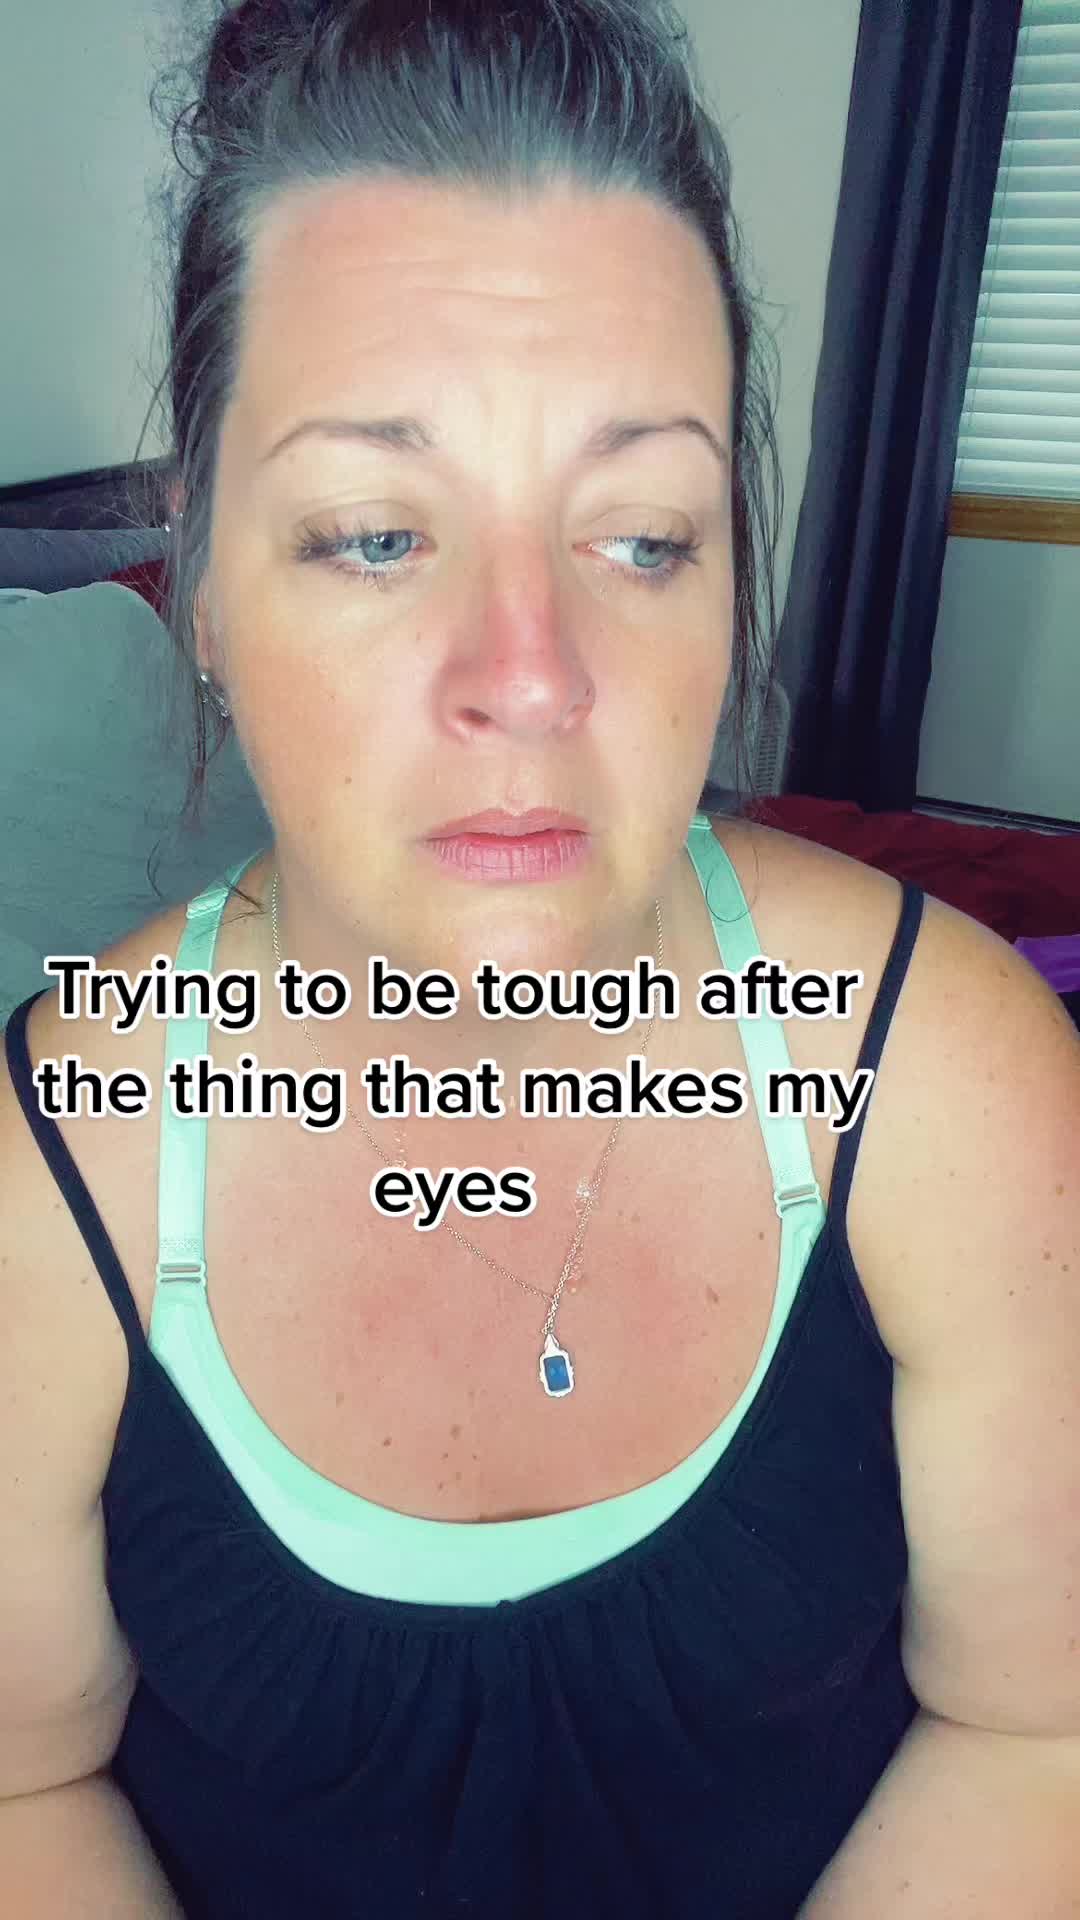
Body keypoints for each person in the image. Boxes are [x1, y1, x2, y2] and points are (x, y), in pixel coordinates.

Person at [2, 3, 1078, 1916]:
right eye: (372, 534)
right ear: (205, 593)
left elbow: (1037, 1722)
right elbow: (22, 1782)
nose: (532, 674)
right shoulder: (53, 1171)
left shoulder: (952, 1082)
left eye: (644, 539)